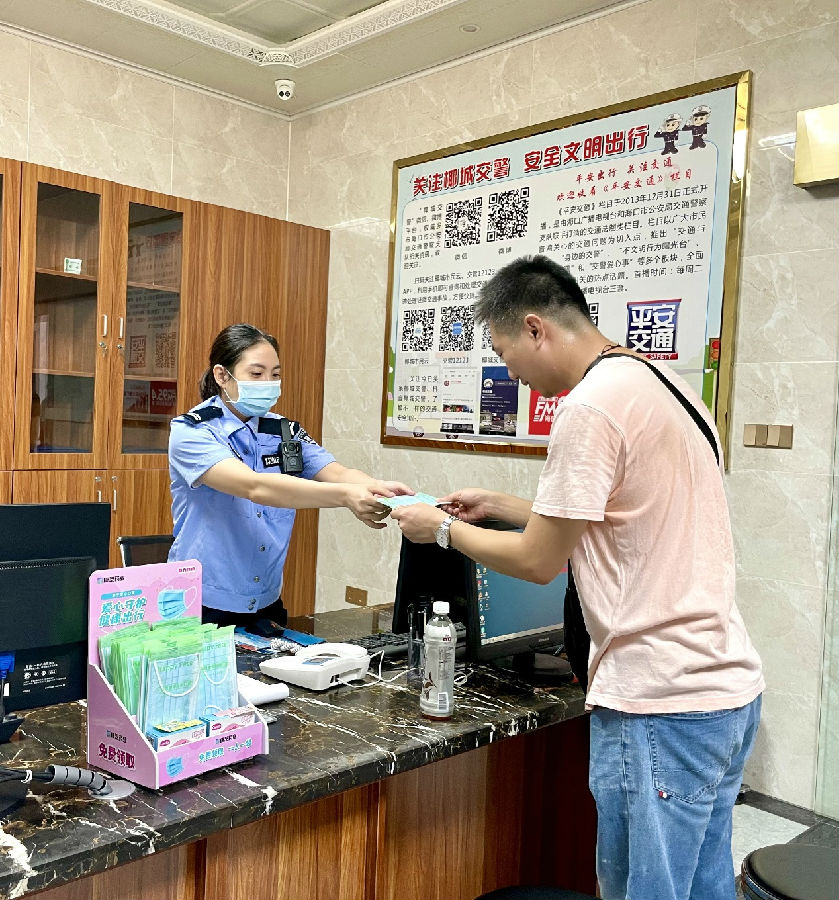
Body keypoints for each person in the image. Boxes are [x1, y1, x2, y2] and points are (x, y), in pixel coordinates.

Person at [391, 256, 764, 900]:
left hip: (659, 700)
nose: (510, 374)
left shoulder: (589, 407)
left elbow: (540, 561)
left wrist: (442, 529)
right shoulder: (661, 384)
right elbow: (614, 517)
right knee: (702, 884)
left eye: (503, 352)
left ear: (535, 328)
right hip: (724, 691)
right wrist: (498, 505)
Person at [168, 323, 411, 631]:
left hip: (265, 599)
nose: (268, 383)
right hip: (202, 602)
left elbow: (336, 472)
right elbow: (254, 486)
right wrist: (346, 497)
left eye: (275, 374)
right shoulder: (192, 431)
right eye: (256, 374)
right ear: (222, 376)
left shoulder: (284, 430)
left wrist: (376, 487)